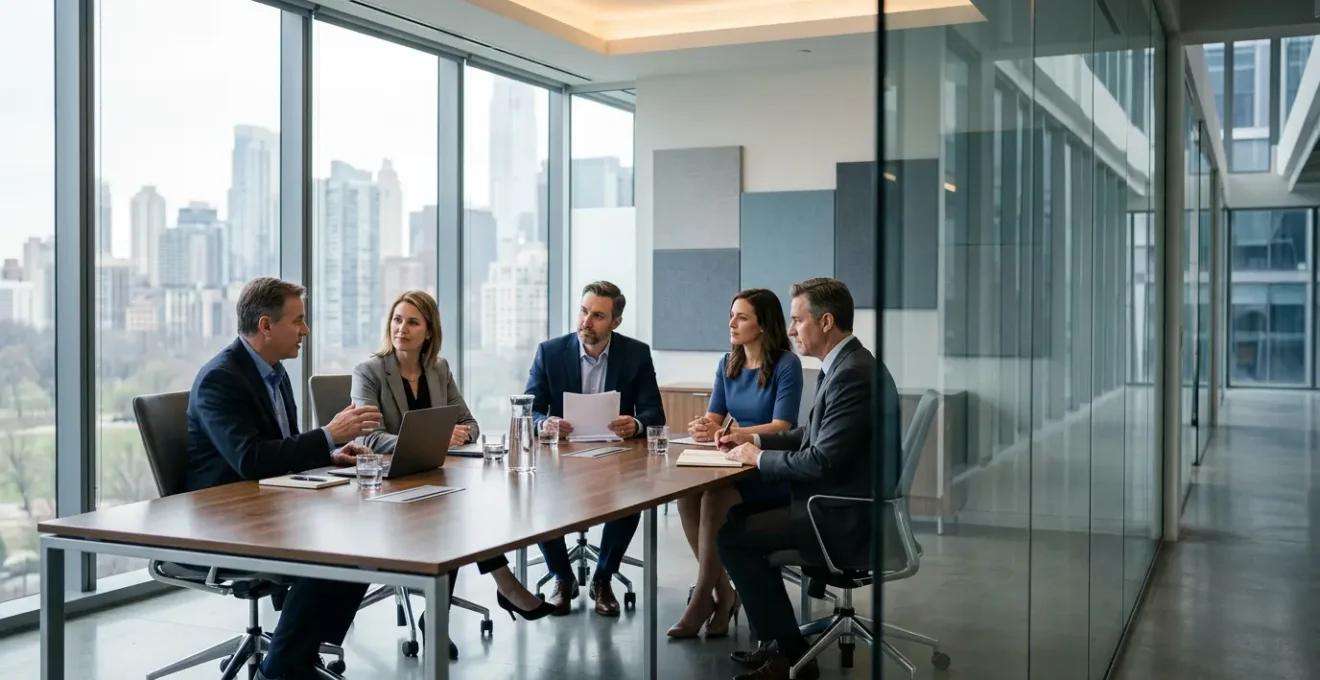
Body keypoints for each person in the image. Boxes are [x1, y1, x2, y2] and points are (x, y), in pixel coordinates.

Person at [186, 277, 382, 680]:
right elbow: (251, 459)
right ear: (266, 325)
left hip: (272, 505)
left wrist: (330, 455)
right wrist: (329, 433)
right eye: (299, 321)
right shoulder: (220, 379)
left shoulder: (274, 372)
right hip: (226, 518)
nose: (305, 331)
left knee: (365, 535)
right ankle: (284, 666)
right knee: (332, 549)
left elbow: (280, 448)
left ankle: (295, 654)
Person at [350, 290, 554, 658]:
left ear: (428, 331)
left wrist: (458, 434)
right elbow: (367, 436)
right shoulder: (370, 372)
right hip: (387, 486)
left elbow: (470, 423)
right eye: (397, 320)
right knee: (453, 521)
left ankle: (465, 605)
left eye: (413, 322)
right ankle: (502, 588)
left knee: (463, 511)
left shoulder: (437, 369)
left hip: (433, 476)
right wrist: (433, 439)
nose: (402, 328)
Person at [716, 278, 900, 680]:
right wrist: (752, 438)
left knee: (734, 537)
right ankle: (779, 644)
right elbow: (810, 435)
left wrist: (759, 458)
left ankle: (790, 654)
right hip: (838, 501)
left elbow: (820, 460)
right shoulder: (846, 365)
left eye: (798, 320)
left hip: (843, 514)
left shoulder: (852, 374)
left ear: (826, 321)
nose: (792, 329)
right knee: (738, 519)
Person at [525, 281, 665, 616]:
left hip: (615, 457)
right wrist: (544, 423)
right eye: (584, 311)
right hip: (561, 456)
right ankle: (562, 576)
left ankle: (603, 578)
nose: (586, 321)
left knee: (631, 499)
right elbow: (530, 407)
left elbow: (653, 412)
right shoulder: (550, 351)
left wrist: (636, 424)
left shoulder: (635, 353)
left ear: (615, 322)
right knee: (540, 496)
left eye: (598, 315)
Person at [670, 289, 802, 639]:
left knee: (714, 497)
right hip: (732, 463)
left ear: (763, 325)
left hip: (765, 468)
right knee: (687, 495)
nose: (731, 323)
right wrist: (704, 427)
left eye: (741, 317)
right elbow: (715, 417)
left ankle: (702, 598)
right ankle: (724, 592)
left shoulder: (787, 365)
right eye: (732, 315)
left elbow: (781, 427)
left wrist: (736, 432)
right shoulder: (726, 363)